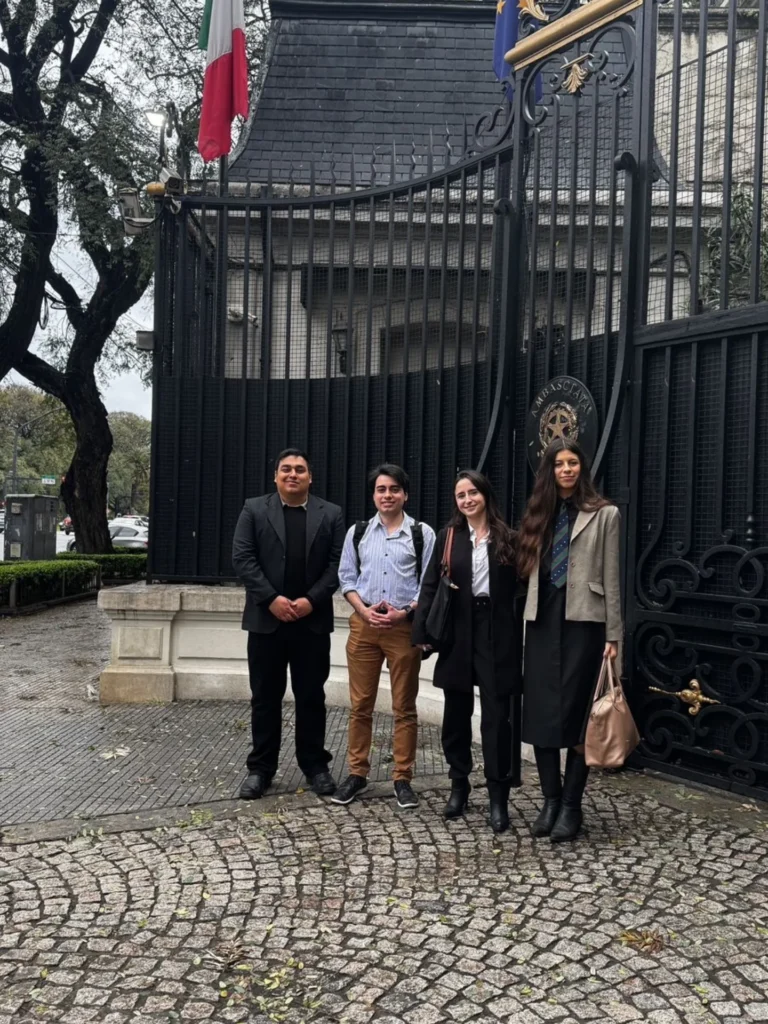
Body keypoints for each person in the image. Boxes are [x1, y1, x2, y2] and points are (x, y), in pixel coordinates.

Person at [517, 438, 621, 843]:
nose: (566, 469)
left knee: (581, 717)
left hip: (585, 624)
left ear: (582, 467)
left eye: (572, 462)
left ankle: (572, 806)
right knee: (542, 715)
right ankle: (551, 800)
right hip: (542, 622)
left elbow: (612, 578)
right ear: (550, 470)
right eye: (559, 463)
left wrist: (613, 635)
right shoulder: (538, 512)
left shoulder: (605, 514)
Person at [412, 470, 523, 833]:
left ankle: (497, 796)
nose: (467, 500)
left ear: (485, 495)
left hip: (496, 631)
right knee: (456, 715)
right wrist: (421, 633)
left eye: (472, 492)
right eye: (461, 495)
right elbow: (430, 585)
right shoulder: (449, 537)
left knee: (497, 718)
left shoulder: (508, 538)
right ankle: (458, 785)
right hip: (458, 630)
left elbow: (524, 587)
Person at [232, 448, 345, 800]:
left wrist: (311, 600)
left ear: (310, 477)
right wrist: (272, 599)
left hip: (312, 623)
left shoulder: (331, 514)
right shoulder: (253, 509)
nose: (292, 474)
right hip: (266, 622)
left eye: (299, 469)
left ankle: (315, 766)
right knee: (265, 698)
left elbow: (338, 563)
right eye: (286, 469)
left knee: (311, 697)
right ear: (276, 476)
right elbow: (243, 558)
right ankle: (260, 769)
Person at [333, 464, 436, 809]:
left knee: (404, 707)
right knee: (360, 705)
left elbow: (428, 584)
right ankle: (357, 773)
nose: (387, 495)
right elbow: (347, 578)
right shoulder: (358, 532)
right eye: (381, 489)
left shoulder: (422, 534)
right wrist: (363, 611)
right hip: (364, 627)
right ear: (374, 495)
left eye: (394, 489)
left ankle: (402, 778)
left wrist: (405, 612)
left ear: (405, 494)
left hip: (403, 628)